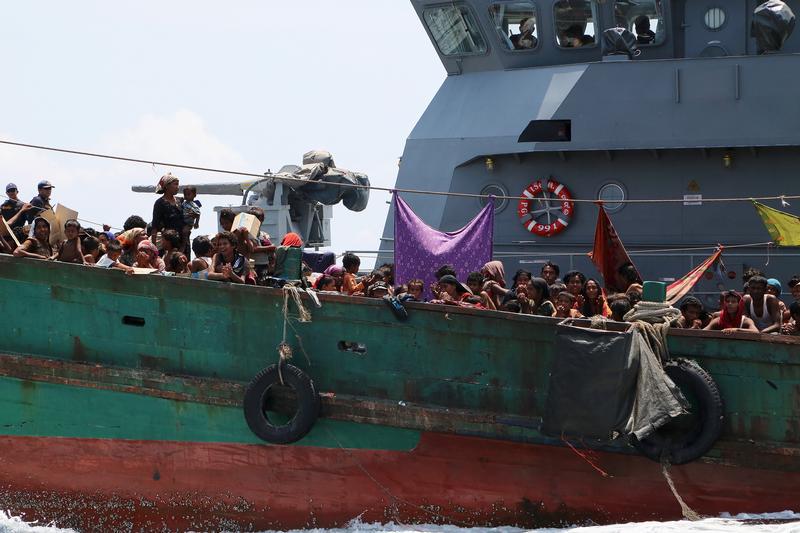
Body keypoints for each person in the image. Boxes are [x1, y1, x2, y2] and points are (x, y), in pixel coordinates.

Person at [151, 173, 184, 247]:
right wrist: (153, 246)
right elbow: (155, 225)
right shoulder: (160, 203)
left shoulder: (180, 200)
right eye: (175, 184)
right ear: (166, 186)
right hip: (169, 242)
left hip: (183, 241)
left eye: (178, 184)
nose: (178, 187)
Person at [247, 207, 275, 282]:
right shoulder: (247, 234)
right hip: (254, 265)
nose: (259, 222)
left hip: (265, 265)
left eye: (260, 219)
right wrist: (269, 248)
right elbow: (252, 249)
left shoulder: (264, 235)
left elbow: (271, 252)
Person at [181, 186, 201, 253]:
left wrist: (196, 223)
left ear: (194, 195)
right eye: (185, 195)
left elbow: (198, 214)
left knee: (184, 232)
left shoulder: (194, 205)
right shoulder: (184, 203)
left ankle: (184, 245)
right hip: (183, 221)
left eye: (188, 194)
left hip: (189, 223)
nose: (186, 196)